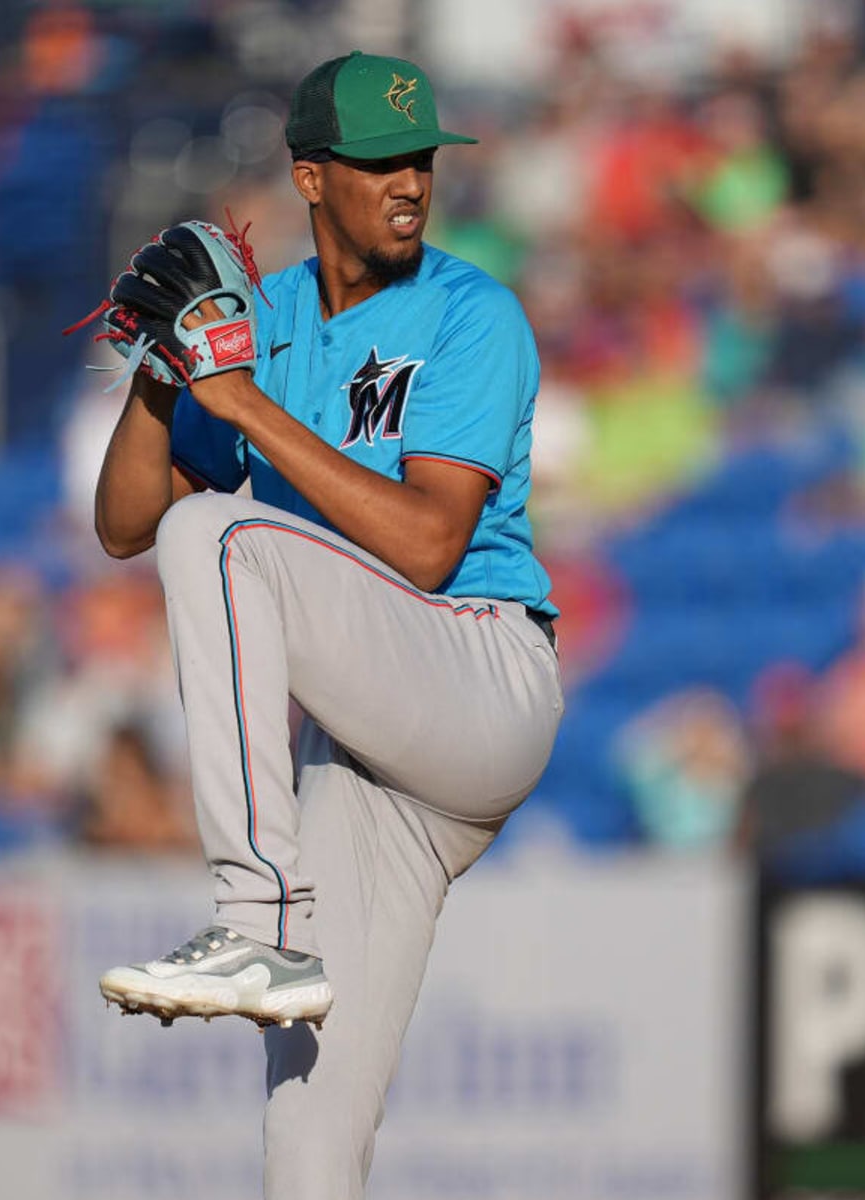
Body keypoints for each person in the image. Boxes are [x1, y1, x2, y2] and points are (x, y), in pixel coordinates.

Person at [91, 51, 564, 1199]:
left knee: (220, 537)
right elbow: (119, 522)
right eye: (375, 160)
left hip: (475, 671)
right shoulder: (273, 320)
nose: (408, 179)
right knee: (308, 1124)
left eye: (419, 157)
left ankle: (254, 911)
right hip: (359, 759)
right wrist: (164, 374)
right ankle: (274, 937)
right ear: (311, 177)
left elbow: (425, 545)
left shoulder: (469, 312)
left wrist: (238, 399)